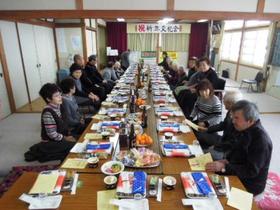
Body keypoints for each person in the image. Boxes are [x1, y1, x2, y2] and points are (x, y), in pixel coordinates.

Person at [205, 100, 273, 196]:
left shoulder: (261, 141)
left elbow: (251, 171)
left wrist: (224, 167)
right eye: (233, 117)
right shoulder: (244, 129)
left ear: (250, 120)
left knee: (215, 194)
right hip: (237, 169)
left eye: (236, 118)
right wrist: (226, 160)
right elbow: (237, 150)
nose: (233, 121)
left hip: (249, 183)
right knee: (206, 175)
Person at [24, 83, 75, 162]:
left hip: (61, 137)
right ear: (48, 99)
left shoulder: (59, 106)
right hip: (51, 141)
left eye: (60, 94)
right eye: (56, 96)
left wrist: (68, 134)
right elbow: (52, 134)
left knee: (79, 138)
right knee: (74, 146)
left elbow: (64, 123)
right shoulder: (48, 112)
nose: (60, 97)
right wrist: (65, 138)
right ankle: (46, 153)